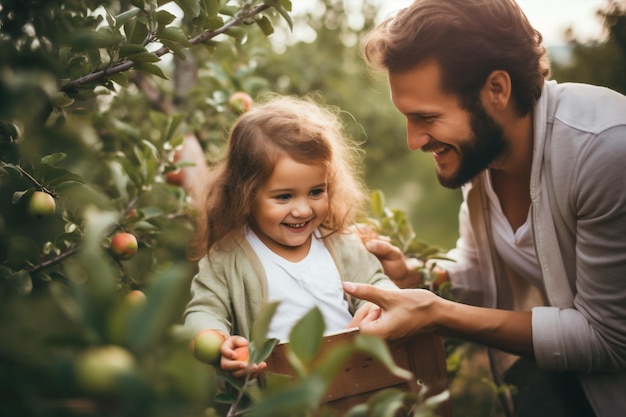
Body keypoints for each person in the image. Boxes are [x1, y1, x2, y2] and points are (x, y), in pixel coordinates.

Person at [341, 1, 626, 416]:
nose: (413, 140)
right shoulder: (482, 157)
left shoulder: (603, 152)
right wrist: (418, 276)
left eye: (427, 117)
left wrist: (437, 313)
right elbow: (478, 274)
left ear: (497, 89)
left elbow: (609, 339)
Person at [183, 95, 396, 379]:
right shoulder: (226, 258)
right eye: (284, 197)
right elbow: (203, 310)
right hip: (281, 392)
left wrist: (375, 303)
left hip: (358, 378)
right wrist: (217, 340)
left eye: (316, 191)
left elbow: (377, 282)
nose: (303, 209)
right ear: (245, 195)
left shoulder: (340, 244)